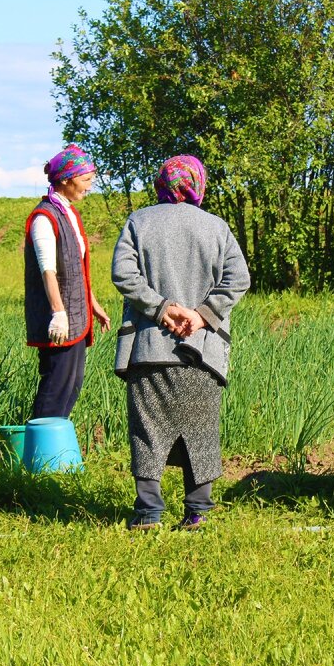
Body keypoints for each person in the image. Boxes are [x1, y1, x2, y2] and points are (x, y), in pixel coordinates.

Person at [111, 155, 250, 530]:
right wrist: (201, 314)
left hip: (149, 348)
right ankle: (198, 512)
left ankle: (148, 513)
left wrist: (161, 309)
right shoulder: (216, 227)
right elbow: (239, 279)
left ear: (162, 183)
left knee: (148, 431)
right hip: (201, 350)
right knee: (200, 430)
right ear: (197, 184)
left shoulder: (138, 222)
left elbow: (123, 274)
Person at [24, 144, 111, 420]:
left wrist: (92, 303)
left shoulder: (69, 213)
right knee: (55, 385)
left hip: (78, 314)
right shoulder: (44, 217)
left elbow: (76, 267)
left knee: (71, 384)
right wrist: (59, 313)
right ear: (65, 179)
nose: (89, 186)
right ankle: (39, 456)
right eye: (85, 180)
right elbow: (47, 270)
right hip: (59, 319)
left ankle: (56, 454)